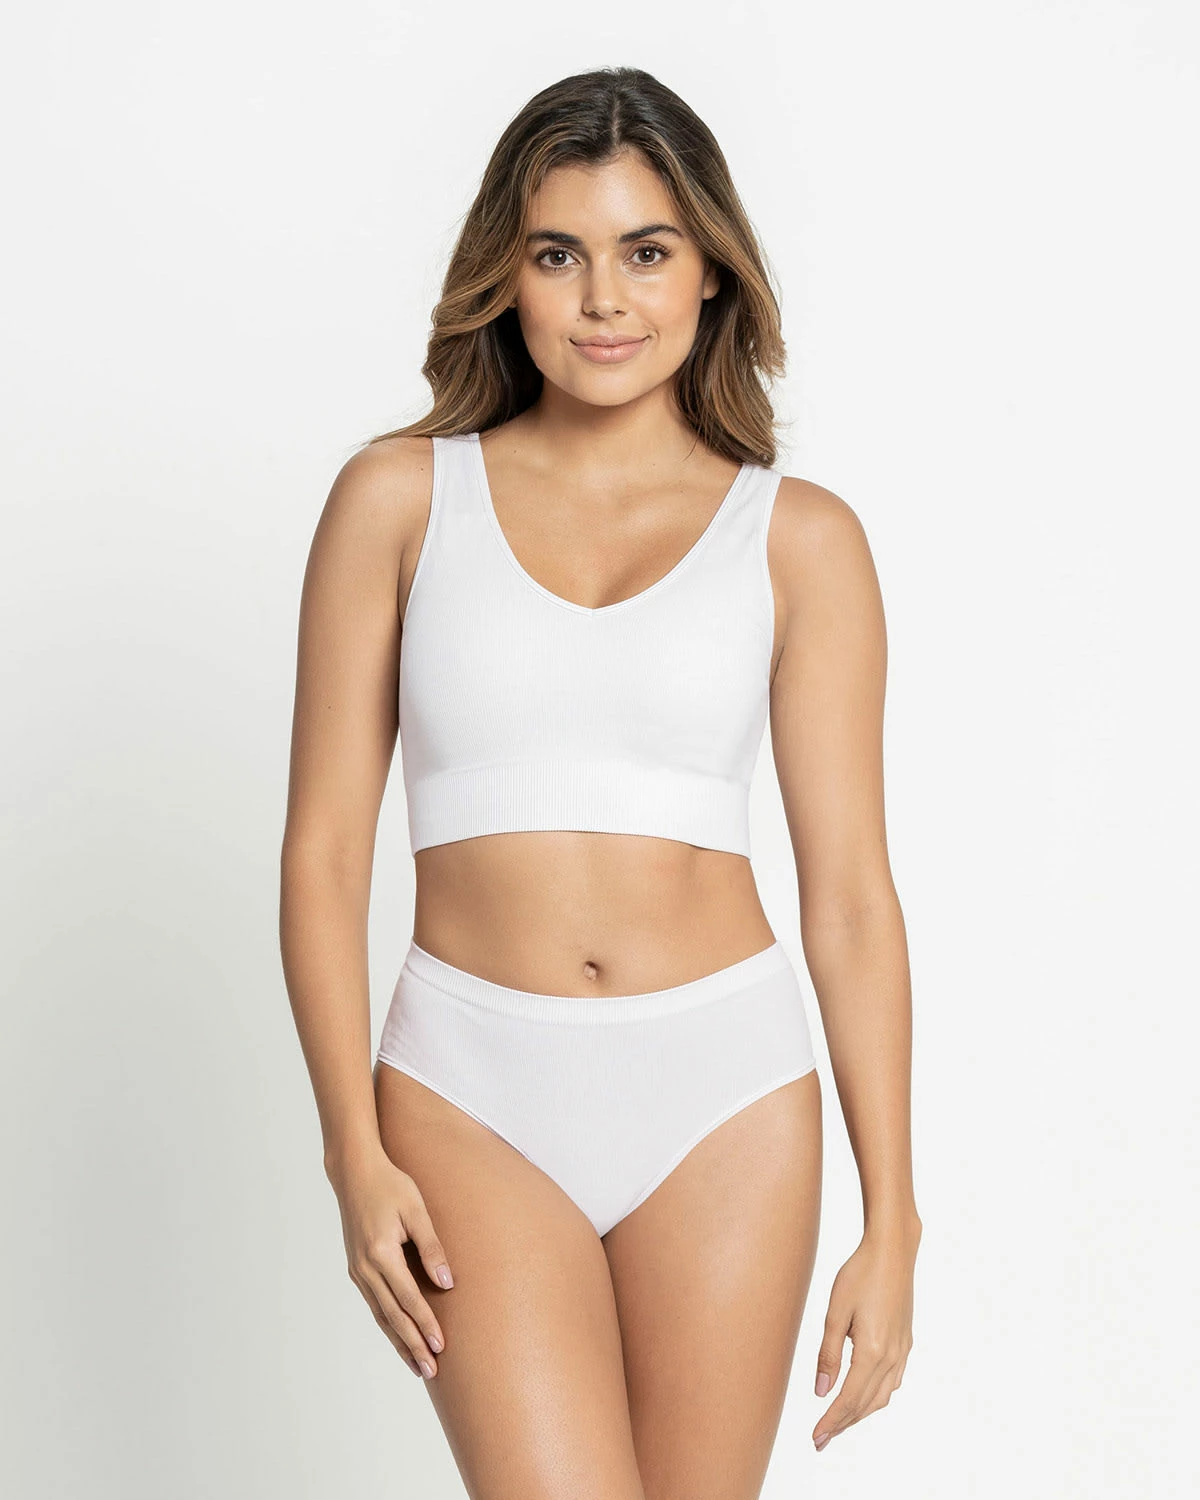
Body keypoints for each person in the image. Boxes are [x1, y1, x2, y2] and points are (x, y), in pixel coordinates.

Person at [280, 65, 920, 1497]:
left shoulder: (800, 539)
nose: (603, 300)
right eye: (558, 255)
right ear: (504, 275)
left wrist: (896, 1218)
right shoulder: (397, 500)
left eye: (647, 251)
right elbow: (322, 856)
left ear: (712, 273)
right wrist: (351, 1156)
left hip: (726, 1095)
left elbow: (853, 901)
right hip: (468, 1087)